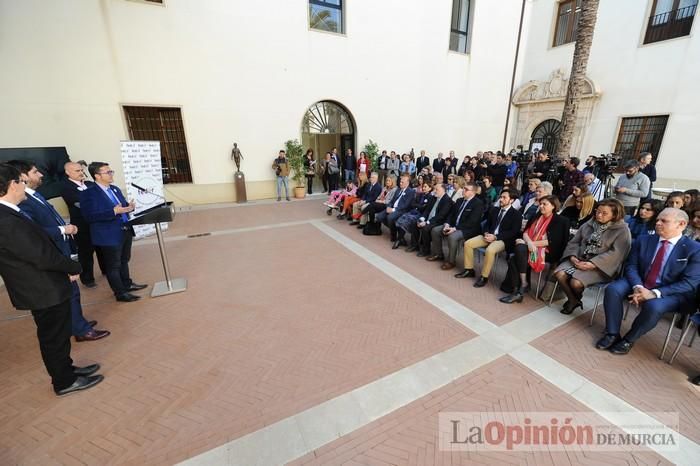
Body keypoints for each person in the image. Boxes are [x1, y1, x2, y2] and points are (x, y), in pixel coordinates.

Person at [0, 163, 104, 396]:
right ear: (12, 185)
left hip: (45, 285)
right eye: (21, 182)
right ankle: (64, 382)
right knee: (53, 338)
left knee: (58, 335)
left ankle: (67, 371)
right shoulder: (5, 219)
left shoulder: (10, 212)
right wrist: (72, 266)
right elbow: (39, 254)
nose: (24, 187)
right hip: (40, 288)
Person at [7, 160, 109, 342]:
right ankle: (80, 330)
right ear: (22, 176)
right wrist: (63, 230)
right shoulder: (22, 203)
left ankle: (77, 323)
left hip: (60, 248)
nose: (41, 175)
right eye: (35, 172)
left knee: (73, 292)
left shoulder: (34, 195)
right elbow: (33, 232)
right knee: (69, 293)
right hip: (51, 253)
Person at [597, 208, 700, 355]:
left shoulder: (694, 249)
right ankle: (612, 333)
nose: (657, 223)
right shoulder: (644, 240)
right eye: (657, 220)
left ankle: (629, 339)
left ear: (681, 224)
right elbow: (631, 266)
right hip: (641, 282)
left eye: (664, 221)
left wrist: (654, 293)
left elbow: (689, 283)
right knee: (613, 289)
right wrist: (638, 286)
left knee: (654, 306)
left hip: (672, 292)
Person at [80, 162, 147, 302]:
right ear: (97, 176)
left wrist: (129, 207)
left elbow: (122, 206)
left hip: (125, 229)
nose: (111, 174)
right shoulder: (89, 193)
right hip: (108, 234)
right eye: (107, 172)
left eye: (111, 171)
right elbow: (89, 216)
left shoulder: (115, 189)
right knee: (113, 265)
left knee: (124, 260)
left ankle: (127, 284)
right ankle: (120, 293)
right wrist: (113, 211)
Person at [552, 198, 632, 315]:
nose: (599, 215)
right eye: (597, 211)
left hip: (602, 266)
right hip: (579, 258)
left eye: (604, 213)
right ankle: (574, 300)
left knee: (576, 283)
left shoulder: (622, 230)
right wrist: (572, 256)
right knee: (559, 274)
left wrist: (593, 264)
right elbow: (575, 242)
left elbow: (617, 254)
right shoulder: (590, 223)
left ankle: (573, 299)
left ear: (615, 215)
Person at [499, 196, 570, 303]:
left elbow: (552, 241)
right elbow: (526, 232)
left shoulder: (560, 220)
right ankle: (520, 288)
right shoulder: (537, 216)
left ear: (553, 206)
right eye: (540, 204)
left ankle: (519, 288)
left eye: (544, 204)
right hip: (529, 247)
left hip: (547, 252)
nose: (541, 206)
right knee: (516, 254)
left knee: (516, 255)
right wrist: (529, 243)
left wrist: (530, 243)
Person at [460, 188, 522, 287]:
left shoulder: (517, 214)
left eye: (504, 198)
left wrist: (496, 237)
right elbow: (486, 224)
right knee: (468, 243)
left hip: (502, 240)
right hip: (488, 236)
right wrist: (486, 233)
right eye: (500, 197)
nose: (501, 199)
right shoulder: (494, 209)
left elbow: (513, 232)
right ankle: (469, 270)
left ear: (512, 200)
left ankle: (484, 277)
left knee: (490, 250)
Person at [61, 161, 105, 288]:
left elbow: (101, 197)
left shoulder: (90, 184)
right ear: (68, 172)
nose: (81, 173)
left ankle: (106, 270)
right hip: (82, 225)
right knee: (86, 252)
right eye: (77, 171)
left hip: (97, 222)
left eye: (81, 170)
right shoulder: (66, 187)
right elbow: (80, 203)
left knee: (102, 248)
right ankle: (87, 278)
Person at [431, 182, 483, 271]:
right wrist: (447, 224)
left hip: (468, 229)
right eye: (463, 188)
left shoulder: (478, 203)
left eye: (466, 189)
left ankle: (451, 261)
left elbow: (472, 222)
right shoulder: (459, 200)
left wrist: (454, 229)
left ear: (473, 192)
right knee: (436, 230)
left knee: (452, 236)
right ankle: (439, 254)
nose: (463, 190)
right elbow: (451, 215)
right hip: (453, 226)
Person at [416, 183, 454, 257]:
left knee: (426, 228)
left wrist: (427, 222)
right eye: (434, 189)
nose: (434, 191)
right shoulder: (433, 198)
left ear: (443, 190)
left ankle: (426, 250)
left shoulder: (447, 200)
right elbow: (427, 210)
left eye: (437, 189)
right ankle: (415, 245)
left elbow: (441, 216)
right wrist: (422, 219)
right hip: (430, 219)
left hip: (439, 221)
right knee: (416, 222)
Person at [394, 181, 432, 249]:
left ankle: (399, 240)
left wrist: (419, 206)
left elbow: (425, 208)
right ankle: (401, 239)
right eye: (423, 186)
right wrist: (420, 205)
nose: (423, 188)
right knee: (401, 218)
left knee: (407, 221)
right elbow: (413, 204)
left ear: (430, 188)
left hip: (421, 214)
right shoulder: (420, 195)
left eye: (425, 187)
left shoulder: (430, 197)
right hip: (413, 211)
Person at [379, 175, 415, 244]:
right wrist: (389, 207)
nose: (400, 183)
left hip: (401, 210)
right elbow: (392, 201)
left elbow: (406, 205)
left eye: (402, 182)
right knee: (379, 217)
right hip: (392, 208)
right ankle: (394, 229)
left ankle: (394, 235)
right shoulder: (398, 189)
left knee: (390, 217)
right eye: (400, 182)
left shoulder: (411, 191)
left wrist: (393, 210)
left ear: (407, 183)